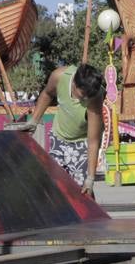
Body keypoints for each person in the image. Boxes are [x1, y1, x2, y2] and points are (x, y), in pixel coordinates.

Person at [15, 63, 105, 197]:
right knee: (53, 185)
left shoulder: (94, 97)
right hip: (59, 137)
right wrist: (34, 121)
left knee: (84, 191)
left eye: (89, 96)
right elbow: (46, 94)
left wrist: (91, 178)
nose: (85, 99)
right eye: (83, 95)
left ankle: (91, 216)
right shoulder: (59, 76)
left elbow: (93, 141)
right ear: (74, 83)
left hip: (81, 143)